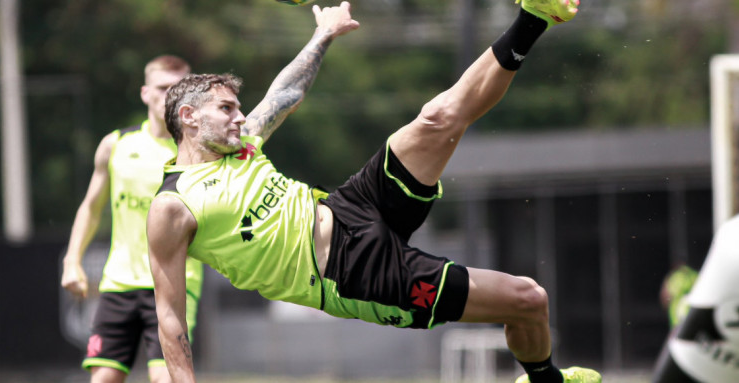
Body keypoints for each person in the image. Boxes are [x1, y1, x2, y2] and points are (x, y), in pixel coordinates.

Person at [148, 1, 600, 382]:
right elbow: (170, 318)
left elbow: (285, 91)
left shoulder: (241, 145)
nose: (240, 117)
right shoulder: (172, 205)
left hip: (350, 207)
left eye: (239, 108)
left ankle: (536, 13)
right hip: (354, 273)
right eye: (227, 109)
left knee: (436, 118)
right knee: (528, 300)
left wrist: (324, 33)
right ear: (189, 116)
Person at [61, 55, 205, 383]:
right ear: (145, 93)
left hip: (174, 285)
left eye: (179, 88)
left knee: (166, 379)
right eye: (163, 87)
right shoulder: (117, 145)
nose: (171, 95)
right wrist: (73, 261)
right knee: (103, 379)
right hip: (119, 282)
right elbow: (91, 208)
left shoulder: (198, 153)